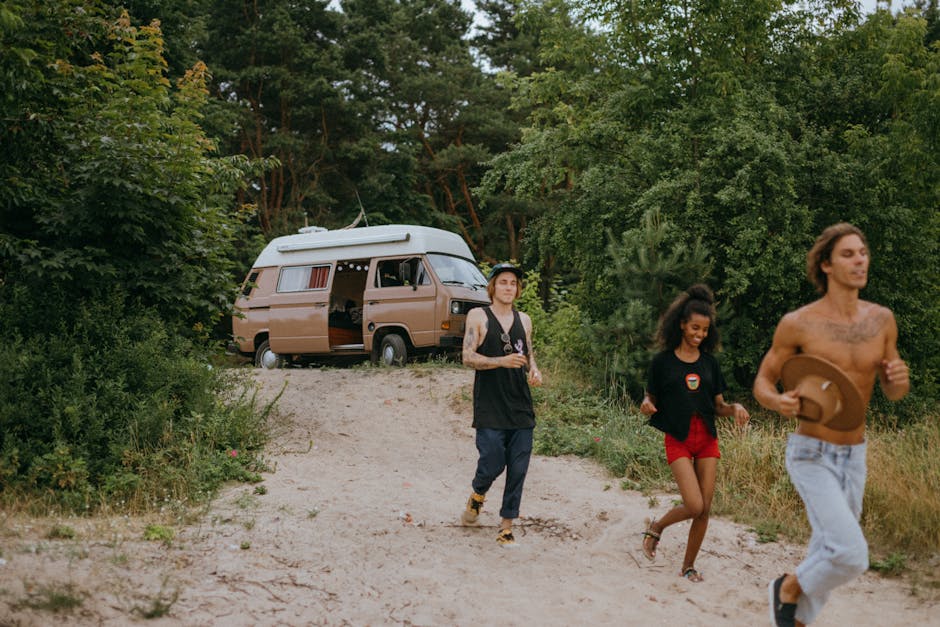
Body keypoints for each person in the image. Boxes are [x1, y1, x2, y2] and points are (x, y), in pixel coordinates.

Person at [753, 223, 910, 626]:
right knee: (850, 553)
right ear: (825, 264)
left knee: (826, 548)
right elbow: (762, 383)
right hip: (811, 453)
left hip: (854, 455)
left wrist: (897, 384)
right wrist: (778, 401)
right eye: (848, 254)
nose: (860, 260)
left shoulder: (882, 321)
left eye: (863, 252)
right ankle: (787, 587)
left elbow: (892, 392)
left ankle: (797, 620)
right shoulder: (798, 323)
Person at [639, 284, 750, 582]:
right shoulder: (663, 362)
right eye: (695, 328)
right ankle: (657, 527)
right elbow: (650, 397)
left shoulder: (709, 363)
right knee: (694, 503)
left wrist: (735, 407)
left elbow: (719, 406)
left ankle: (688, 566)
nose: (700, 334)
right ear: (682, 325)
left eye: (705, 330)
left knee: (704, 510)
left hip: (707, 440)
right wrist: (647, 404)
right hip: (678, 438)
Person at [459, 262, 543, 546]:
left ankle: (506, 526)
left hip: (520, 404)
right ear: (493, 286)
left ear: (518, 290)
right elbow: (467, 357)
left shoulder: (525, 320)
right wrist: (500, 362)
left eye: (513, 283)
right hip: (490, 404)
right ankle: (478, 495)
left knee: (518, 468)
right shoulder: (478, 317)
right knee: (492, 460)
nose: (509, 287)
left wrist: (534, 370)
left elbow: (528, 354)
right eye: (504, 282)